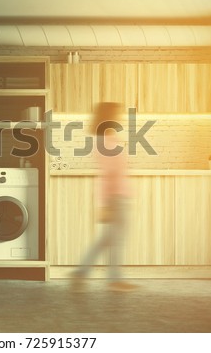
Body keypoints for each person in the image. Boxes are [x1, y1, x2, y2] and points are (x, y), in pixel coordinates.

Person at [71, 102, 136, 292]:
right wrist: (105, 203)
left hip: (117, 195)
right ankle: (113, 279)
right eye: (118, 115)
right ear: (109, 117)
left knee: (108, 238)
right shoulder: (105, 141)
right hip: (117, 196)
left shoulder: (106, 138)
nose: (120, 118)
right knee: (115, 239)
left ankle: (82, 273)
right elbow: (108, 173)